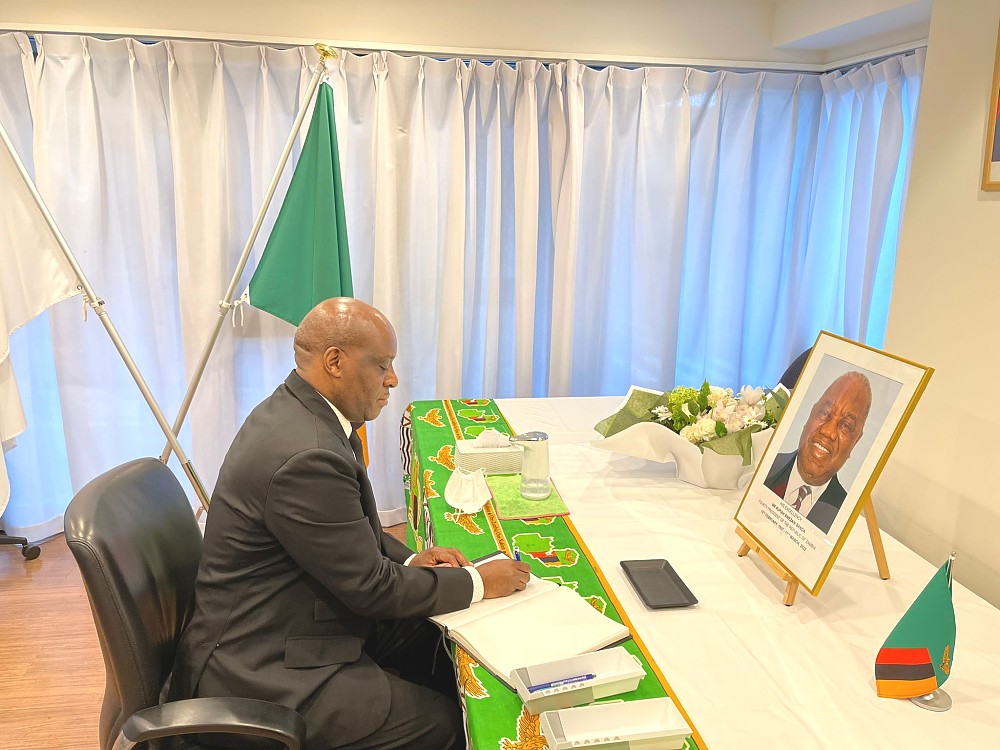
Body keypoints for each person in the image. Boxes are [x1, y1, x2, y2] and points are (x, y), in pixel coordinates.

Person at [169, 298, 530, 750]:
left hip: (291, 616)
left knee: (444, 646)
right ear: (335, 362)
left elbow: (348, 529)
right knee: (451, 719)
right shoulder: (308, 453)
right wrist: (479, 583)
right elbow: (371, 589)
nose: (393, 379)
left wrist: (414, 557)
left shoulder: (299, 412)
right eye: (382, 365)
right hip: (265, 667)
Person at [763, 371, 872, 534]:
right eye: (824, 413)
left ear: (855, 442)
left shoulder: (842, 516)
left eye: (846, 426)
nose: (828, 432)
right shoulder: (763, 468)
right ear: (809, 416)